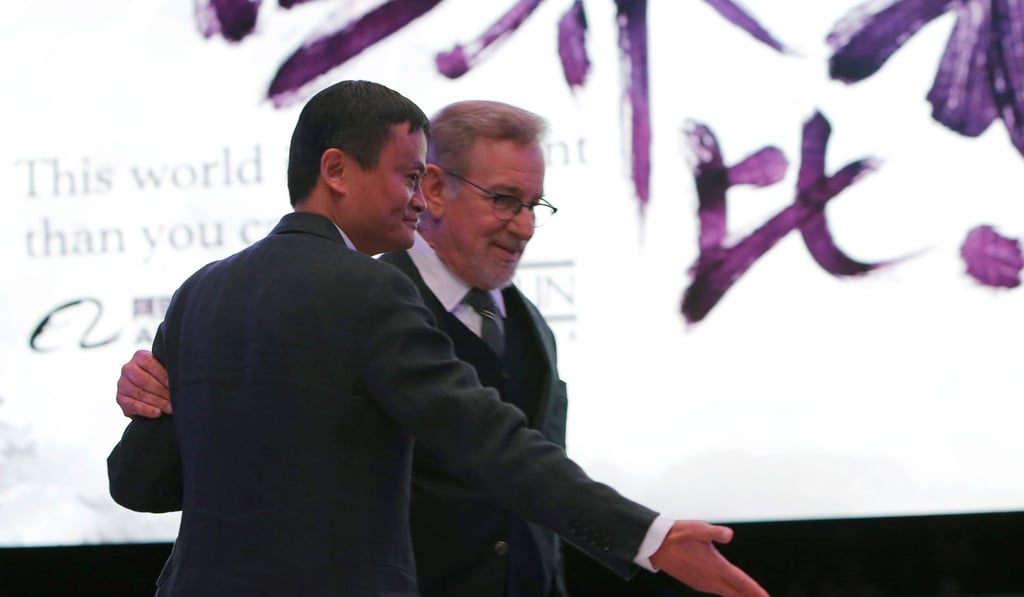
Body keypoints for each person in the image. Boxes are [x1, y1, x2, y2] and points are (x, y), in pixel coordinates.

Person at [107, 79, 768, 597]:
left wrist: (165, 404)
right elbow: (492, 442)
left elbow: (137, 482)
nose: (419, 198)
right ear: (336, 171)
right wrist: (649, 537)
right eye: (407, 175)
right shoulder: (372, 290)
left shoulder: (201, 290)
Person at [118, 99, 569, 596]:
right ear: (439, 189)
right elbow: (206, 471)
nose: (524, 225)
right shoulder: (358, 298)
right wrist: (179, 394)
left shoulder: (531, 326)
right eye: (504, 199)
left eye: (533, 205)